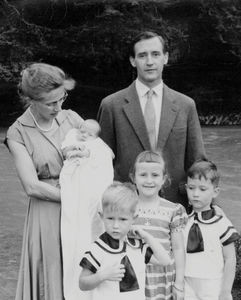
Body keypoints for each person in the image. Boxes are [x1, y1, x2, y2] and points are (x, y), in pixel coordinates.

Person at [97, 31, 206, 208]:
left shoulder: (186, 105)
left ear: (166, 58)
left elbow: (198, 162)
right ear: (133, 61)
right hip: (125, 208)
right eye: (142, 55)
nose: (149, 62)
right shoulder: (111, 105)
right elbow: (100, 164)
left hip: (175, 205)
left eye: (155, 54)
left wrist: (208, 207)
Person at [5, 63, 84, 300]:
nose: (59, 107)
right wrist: (73, 198)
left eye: (62, 98)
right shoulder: (17, 132)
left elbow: (99, 153)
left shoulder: (72, 118)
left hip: (81, 208)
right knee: (50, 274)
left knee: (82, 267)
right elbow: (31, 186)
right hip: (47, 210)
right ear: (31, 100)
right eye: (51, 103)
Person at [79, 181, 171, 300]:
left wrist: (147, 237)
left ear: (134, 219)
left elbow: (165, 261)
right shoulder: (97, 249)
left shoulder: (137, 246)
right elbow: (82, 283)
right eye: (110, 218)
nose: (116, 225)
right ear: (102, 216)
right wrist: (102, 275)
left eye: (123, 219)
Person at [60, 119, 114, 300]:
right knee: (71, 237)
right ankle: (74, 290)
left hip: (88, 192)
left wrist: (87, 153)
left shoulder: (98, 146)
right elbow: (66, 150)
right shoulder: (72, 136)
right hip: (72, 185)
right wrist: (73, 151)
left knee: (89, 234)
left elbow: (105, 157)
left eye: (88, 134)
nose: (83, 135)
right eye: (82, 130)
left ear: (95, 136)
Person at [130, 150, 187, 300]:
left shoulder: (173, 210)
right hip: (134, 275)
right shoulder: (126, 208)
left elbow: (178, 248)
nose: (149, 180)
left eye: (155, 175)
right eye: (143, 175)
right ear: (133, 178)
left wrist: (179, 283)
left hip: (162, 277)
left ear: (163, 179)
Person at [184, 160, 239, 300]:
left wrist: (226, 290)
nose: (195, 194)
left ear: (215, 192)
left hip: (213, 282)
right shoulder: (182, 219)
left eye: (202, 189)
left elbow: (230, 258)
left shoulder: (221, 222)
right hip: (186, 280)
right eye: (191, 188)